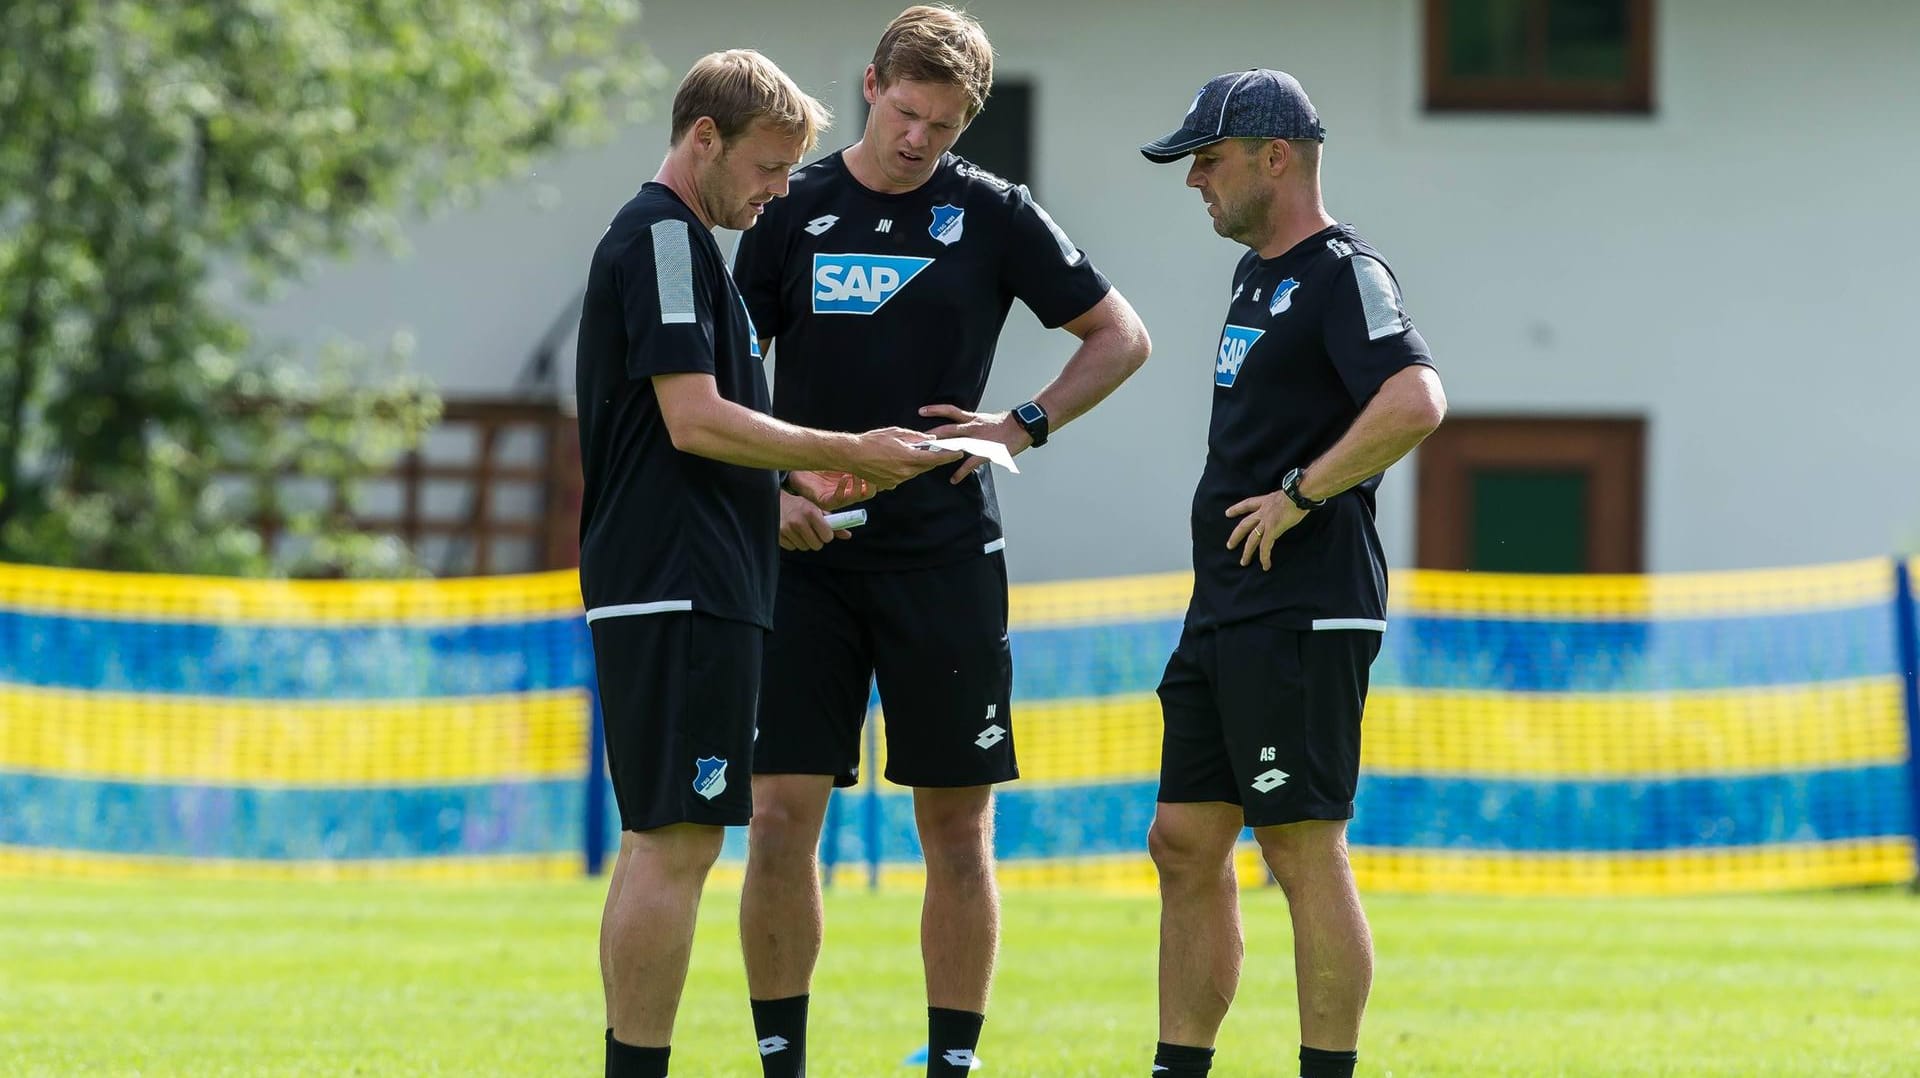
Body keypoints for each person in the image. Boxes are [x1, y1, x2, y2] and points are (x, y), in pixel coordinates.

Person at [730, 6, 1151, 1076]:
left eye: (946, 125)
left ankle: (952, 1063)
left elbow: (1121, 336)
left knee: (956, 831)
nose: (920, 139)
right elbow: (728, 374)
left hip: (945, 556)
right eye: (909, 112)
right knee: (779, 818)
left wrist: (1022, 425)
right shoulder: (795, 206)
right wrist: (774, 482)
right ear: (872, 85)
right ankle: (782, 1058)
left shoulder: (997, 214)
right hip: (806, 556)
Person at [574, 49, 961, 1078]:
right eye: (768, 168)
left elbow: (687, 440)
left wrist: (781, 496)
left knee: (661, 837)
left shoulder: (685, 247)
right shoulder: (664, 238)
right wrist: (847, 449)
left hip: (686, 578)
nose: (783, 191)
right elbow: (693, 420)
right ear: (705, 138)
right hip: (678, 585)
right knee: (678, 843)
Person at [1136, 69, 1448, 1078]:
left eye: (1209, 160)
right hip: (1230, 604)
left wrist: (1303, 494)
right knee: (1182, 839)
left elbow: (1415, 399)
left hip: (1304, 607)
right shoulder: (1255, 276)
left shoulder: (1343, 269)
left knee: (1300, 847)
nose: (1195, 182)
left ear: (1278, 157)